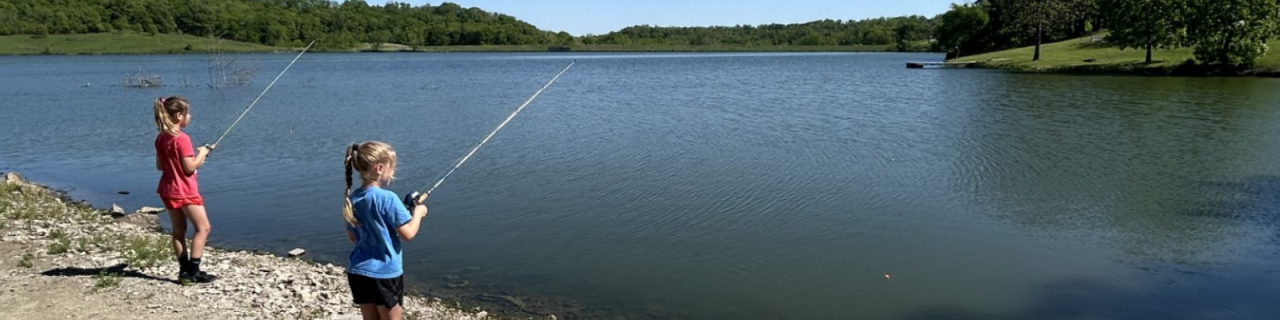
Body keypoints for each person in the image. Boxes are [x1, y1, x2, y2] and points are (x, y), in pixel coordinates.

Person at [343, 141, 429, 319]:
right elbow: (408, 234)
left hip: (358, 272)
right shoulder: (389, 198)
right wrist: (418, 213)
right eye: (392, 168)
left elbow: (352, 237)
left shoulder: (351, 199)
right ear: (380, 168)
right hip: (384, 273)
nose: (393, 172)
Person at [153, 96, 216, 284]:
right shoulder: (182, 139)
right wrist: (202, 153)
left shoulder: (160, 138)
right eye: (188, 114)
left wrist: (195, 160)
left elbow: (160, 166)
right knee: (203, 228)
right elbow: (189, 168)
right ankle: (194, 272)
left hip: (167, 189)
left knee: (178, 231)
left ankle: (184, 272)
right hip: (185, 191)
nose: (190, 117)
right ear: (179, 115)